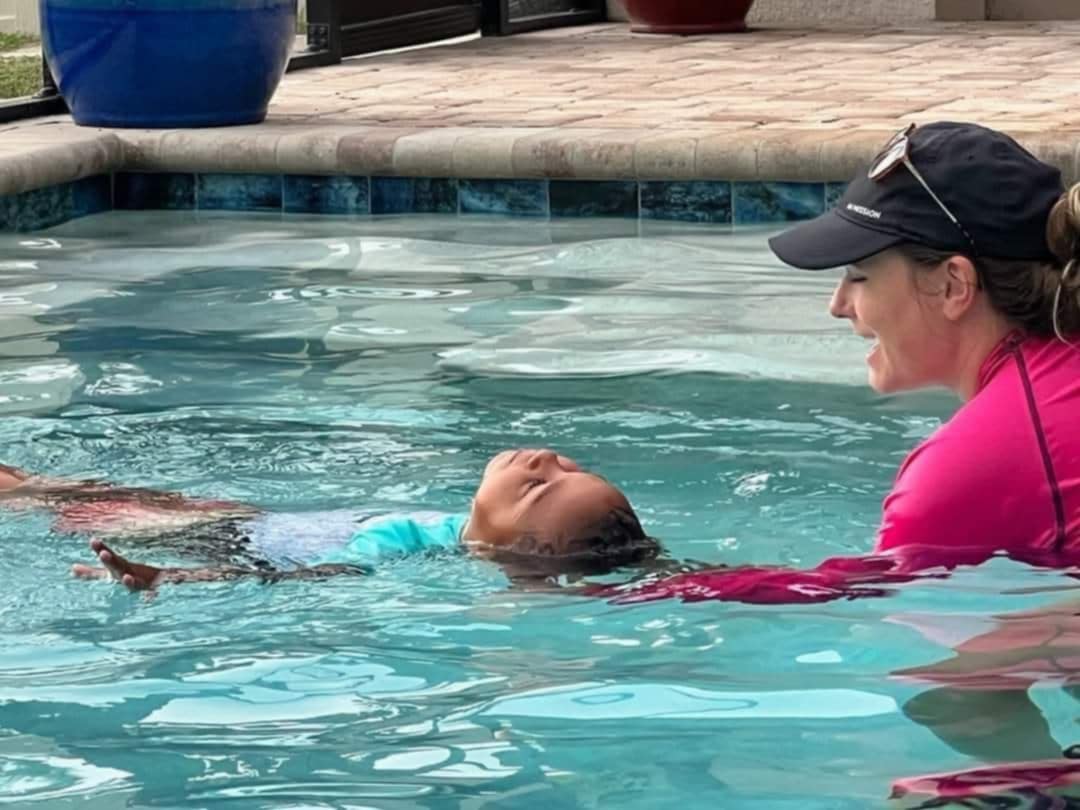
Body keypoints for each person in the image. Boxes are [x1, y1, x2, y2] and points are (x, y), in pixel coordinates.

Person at [597, 120, 1080, 606]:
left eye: (859, 275)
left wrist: (631, 588)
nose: (838, 303)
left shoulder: (971, 467)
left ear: (953, 285)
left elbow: (886, 609)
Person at [0, 450, 660, 590]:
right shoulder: (465, 532)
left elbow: (320, 574)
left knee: (45, 498)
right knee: (49, 488)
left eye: (538, 487)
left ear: (500, 539)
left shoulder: (400, 544)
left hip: (222, 538)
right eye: (572, 468)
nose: (545, 461)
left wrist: (171, 577)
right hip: (250, 519)